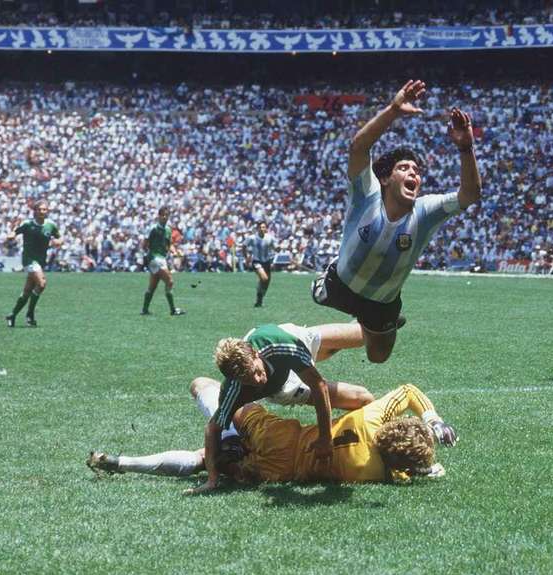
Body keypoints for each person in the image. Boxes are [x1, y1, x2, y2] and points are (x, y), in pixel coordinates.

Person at [312, 79, 482, 363]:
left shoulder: (426, 212)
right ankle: (346, 328)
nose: (413, 173)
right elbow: (358, 148)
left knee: (378, 356)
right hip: (340, 285)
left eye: (416, 170)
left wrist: (466, 149)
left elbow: (470, 194)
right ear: (386, 179)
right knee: (320, 299)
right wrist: (393, 109)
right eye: (404, 168)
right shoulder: (367, 195)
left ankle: (366, 327)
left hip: (382, 301)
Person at [87, 382, 457, 489]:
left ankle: (215, 413)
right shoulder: (374, 471)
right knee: (205, 458)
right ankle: (124, 463)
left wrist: (433, 418)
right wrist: (424, 469)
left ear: (394, 428)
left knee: (207, 387)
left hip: (280, 435)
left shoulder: (371, 420)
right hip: (280, 470)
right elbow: (400, 472)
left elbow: (407, 389)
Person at [192, 321, 378, 495]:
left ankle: (379, 324)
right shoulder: (233, 388)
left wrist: (325, 437)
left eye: (256, 372)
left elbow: (318, 384)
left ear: (256, 354)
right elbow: (212, 429)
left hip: (291, 344)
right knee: (364, 397)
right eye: (248, 380)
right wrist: (212, 479)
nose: (257, 381)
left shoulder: (283, 345)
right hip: (284, 387)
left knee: (361, 337)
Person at [5, 201, 61, 327]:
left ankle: (12, 315)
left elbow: (59, 237)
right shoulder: (28, 224)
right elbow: (14, 233)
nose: (42, 212)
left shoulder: (50, 225)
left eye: (45, 210)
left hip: (41, 261)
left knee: (27, 291)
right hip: (29, 260)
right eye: (40, 209)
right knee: (41, 284)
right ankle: (30, 314)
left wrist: (58, 241)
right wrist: (11, 235)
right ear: (35, 211)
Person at [141, 207, 185, 316]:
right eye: (163, 215)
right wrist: (149, 254)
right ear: (159, 216)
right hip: (154, 259)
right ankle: (173, 310)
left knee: (153, 285)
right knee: (169, 281)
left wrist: (175, 252)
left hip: (162, 259)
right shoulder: (153, 228)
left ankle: (145, 310)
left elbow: (168, 245)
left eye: (167, 215)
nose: (165, 217)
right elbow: (144, 244)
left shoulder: (168, 230)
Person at [243, 221, 277, 308]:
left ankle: (259, 299)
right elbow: (244, 246)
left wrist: (279, 248)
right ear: (257, 228)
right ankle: (259, 294)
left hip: (267, 262)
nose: (262, 229)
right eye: (261, 227)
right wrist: (246, 257)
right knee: (264, 278)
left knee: (266, 283)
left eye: (264, 227)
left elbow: (275, 247)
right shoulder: (252, 238)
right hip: (257, 261)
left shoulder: (270, 238)